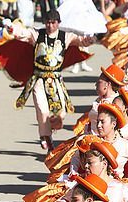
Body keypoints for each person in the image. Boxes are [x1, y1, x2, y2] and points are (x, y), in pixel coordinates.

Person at [9, 10, 95, 151]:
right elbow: (22, 33)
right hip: (39, 78)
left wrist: (88, 40)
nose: (50, 26)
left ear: (58, 23)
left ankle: (51, 128)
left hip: (55, 79)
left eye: (53, 23)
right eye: (48, 22)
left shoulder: (65, 36)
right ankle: (45, 136)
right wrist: (12, 28)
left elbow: (80, 41)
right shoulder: (37, 34)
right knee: (42, 110)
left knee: (60, 113)